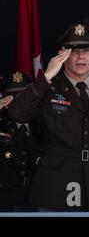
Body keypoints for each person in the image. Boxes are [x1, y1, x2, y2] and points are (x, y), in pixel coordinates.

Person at [7, 23, 89, 211]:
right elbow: (16, 113)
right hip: (55, 188)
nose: (81, 56)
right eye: (74, 51)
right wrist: (47, 75)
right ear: (62, 54)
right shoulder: (47, 88)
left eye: (87, 50)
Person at [0, 72, 41, 211]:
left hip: (39, 200)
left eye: (23, 97)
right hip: (5, 201)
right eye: (12, 97)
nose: (18, 102)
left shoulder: (45, 123)